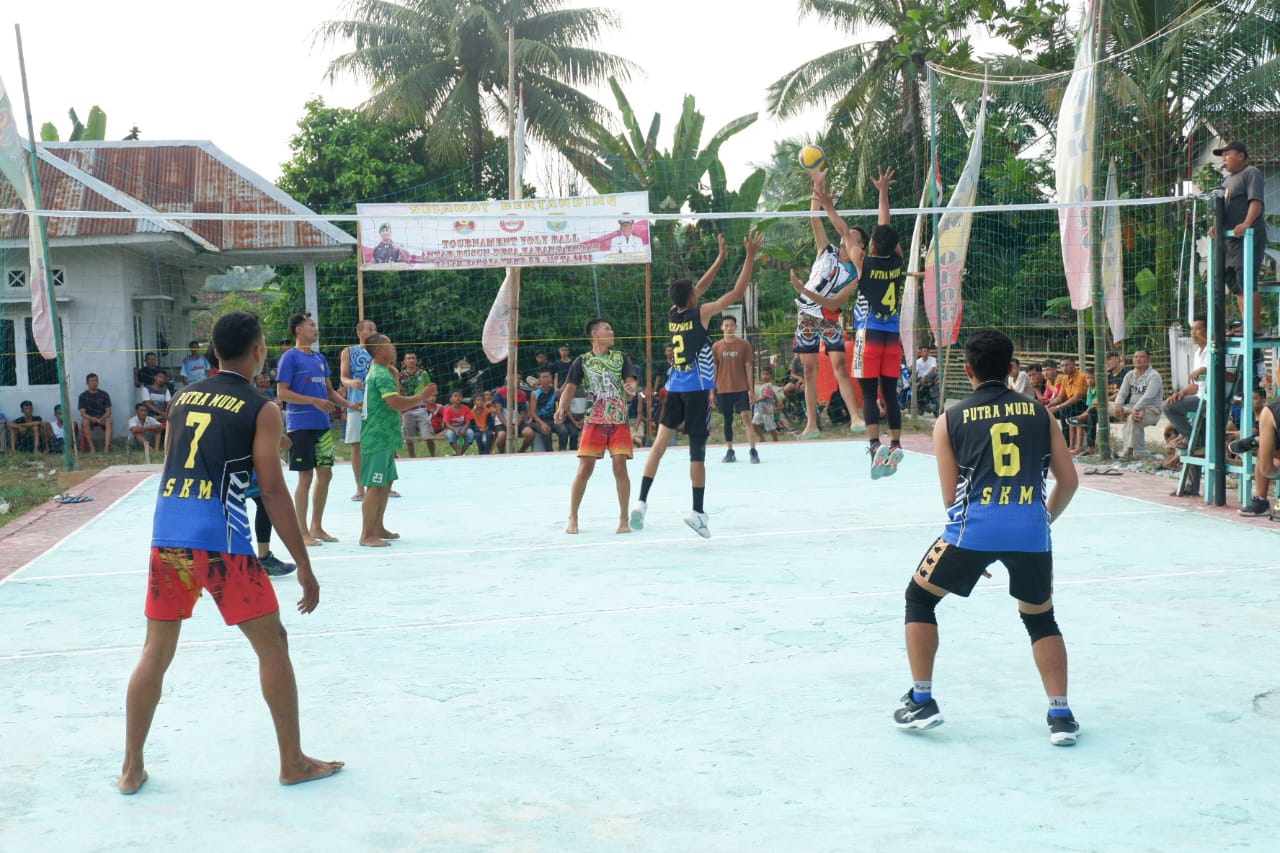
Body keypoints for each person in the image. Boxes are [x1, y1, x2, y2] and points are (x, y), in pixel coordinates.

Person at [118, 310, 342, 795]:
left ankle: (131, 769)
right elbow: (273, 492)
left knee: (155, 652)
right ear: (259, 352)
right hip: (220, 540)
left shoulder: (182, 397)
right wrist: (305, 565)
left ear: (214, 352)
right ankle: (292, 762)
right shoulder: (261, 408)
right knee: (272, 644)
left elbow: (185, 457)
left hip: (168, 533)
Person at [892, 328, 1081, 746]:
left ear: (968, 370)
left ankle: (922, 700)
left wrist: (974, 554)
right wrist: (1042, 521)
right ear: (1012, 368)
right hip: (1031, 532)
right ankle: (1060, 716)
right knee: (1040, 618)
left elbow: (951, 498)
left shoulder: (950, 419)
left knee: (919, 599)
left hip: (973, 530)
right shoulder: (1041, 414)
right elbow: (1068, 481)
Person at [631, 231, 763, 538]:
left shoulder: (674, 313)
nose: (698, 292)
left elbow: (698, 287)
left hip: (674, 390)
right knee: (696, 453)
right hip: (696, 392)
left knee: (659, 447)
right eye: (695, 292)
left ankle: (641, 502)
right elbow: (737, 291)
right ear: (692, 299)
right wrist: (749, 256)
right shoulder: (702, 313)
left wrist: (720, 257)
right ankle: (697, 513)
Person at [843, 166, 915, 477]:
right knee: (890, 393)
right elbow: (885, 226)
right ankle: (896, 443)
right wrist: (883, 191)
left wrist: (828, 205)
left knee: (869, 395)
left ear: (871, 245)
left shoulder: (864, 263)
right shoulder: (898, 261)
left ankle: (875, 445)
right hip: (891, 338)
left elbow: (845, 232)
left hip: (868, 336)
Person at [789, 169, 868, 440]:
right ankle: (812, 424)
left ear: (860, 246)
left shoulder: (856, 273)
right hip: (807, 315)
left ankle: (855, 417)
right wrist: (816, 184)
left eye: (854, 237)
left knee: (840, 367)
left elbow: (836, 301)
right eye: (848, 235)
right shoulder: (826, 250)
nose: (848, 238)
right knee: (809, 370)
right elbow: (815, 218)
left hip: (829, 316)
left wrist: (804, 291)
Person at [276, 312, 358, 546]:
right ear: (299, 330)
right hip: (301, 426)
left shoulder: (319, 358)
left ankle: (317, 526)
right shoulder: (290, 357)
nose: (315, 328)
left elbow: (329, 392)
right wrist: (313, 401)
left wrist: (350, 405)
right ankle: (301, 532)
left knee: (326, 473)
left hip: (322, 426)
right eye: (311, 325)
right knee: (306, 477)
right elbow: (282, 393)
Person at [555, 319, 640, 534]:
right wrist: (561, 407)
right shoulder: (582, 361)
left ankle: (623, 518)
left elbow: (631, 381)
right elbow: (570, 388)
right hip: (594, 419)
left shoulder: (620, 358)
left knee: (620, 465)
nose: (612, 331)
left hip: (618, 419)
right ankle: (573, 517)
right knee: (585, 468)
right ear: (595, 333)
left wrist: (631, 387)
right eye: (607, 329)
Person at [358, 334, 434, 547]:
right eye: (389, 344)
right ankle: (366, 535)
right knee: (375, 485)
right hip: (377, 436)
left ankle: (377, 527)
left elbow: (396, 396)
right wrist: (421, 397)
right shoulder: (380, 373)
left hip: (387, 435)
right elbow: (394, 402)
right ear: (379, 350)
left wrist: (395, 374)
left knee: (386, 482)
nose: (393, 347)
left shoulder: (385, 371)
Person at [1214, 141, 1268, 329]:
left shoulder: (1251, 173)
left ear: (1240, 155)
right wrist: (1216, 226)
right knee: (1236, 284)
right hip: (1230, 242)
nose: (1224, 158)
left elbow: (1256, 201)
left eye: (1227, 154)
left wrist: (1247, 223)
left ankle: (1255, 327)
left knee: (1247, 280)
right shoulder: (1225, 182)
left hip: (1248, 238)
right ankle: (1247, 324)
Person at [712, 315, 758, 463]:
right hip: (723, 388)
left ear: (736, 327)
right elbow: (714, 369)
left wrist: (751, 390)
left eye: (731, 325)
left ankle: (753, 450)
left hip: (741, 388)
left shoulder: (744, 345)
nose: (728, 328)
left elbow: (748, 367)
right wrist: (711, 391)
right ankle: (730, 451)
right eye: (726, 325)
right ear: (721, 327)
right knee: (727, 419)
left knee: (746, 416)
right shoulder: (717, 346)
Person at [340, 319, 377, 501]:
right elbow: (343, 377)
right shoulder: (348, 351)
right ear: (359, 332)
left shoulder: (380, 350)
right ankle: (360, 487)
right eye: (370, 329)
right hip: (357, 403)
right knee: (357, 444)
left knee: (381, 445)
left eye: (375, 329)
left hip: (377, 403)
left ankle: (382, 484)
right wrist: (351, 383)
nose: (374, 332)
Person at [1163, 316, 1208, 450]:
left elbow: (1228, 375)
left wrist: (1205, 369)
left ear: (1208, 330)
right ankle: (1193, 438)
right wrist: (1181, 393)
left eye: (1197, 329)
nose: (1193, 333)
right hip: (1200, 397)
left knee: (1168, 407)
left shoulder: (1214, 351)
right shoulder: (1198, 353)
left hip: (1210, 399)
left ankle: (1192, 438)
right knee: (1171, 402)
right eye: (1192, 329)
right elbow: (1196, 385)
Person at [1109, 349, 1163, 459]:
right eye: (1135, 357)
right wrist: (1118, 404)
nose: (1138, 359)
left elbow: (1148, 396)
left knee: (1133, 418)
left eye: (1141, 357)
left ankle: (1129, 451)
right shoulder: (1130, 375)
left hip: (1150, 410)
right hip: (1130, 409)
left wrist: (1136, 409)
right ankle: (1138, 452)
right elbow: (1122, 392)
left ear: (1148, 359)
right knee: (1103, 406)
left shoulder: (1154, 375)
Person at [1233, 394, 1280, 516]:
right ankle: (1261, 501)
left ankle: (1258, 441)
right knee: (1265, 451)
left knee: (1266, 452)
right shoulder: (1270, 411)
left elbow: (1267, 469)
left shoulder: (1269, 411)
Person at [398, 352, 437, 458]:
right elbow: (398, 391)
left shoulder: (423, 374)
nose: (411, 360)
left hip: (421, 409)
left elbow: (429, 388)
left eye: (413, 358)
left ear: (416, 360)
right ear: (405, 361)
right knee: (409, 438)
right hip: (406, 410)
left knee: (428, 435)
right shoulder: (400, 375)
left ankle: (433, 456)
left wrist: (430, 397)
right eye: (409, 358)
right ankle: (412, 458)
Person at [1047, 355, 1089, 442]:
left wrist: (1058, 407)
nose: (1064, 368)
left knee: (1064, 410)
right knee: (1049, 411)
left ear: (1074, 365)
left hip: (1083, 404)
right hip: (1072, 404)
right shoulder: (1065, 378)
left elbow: (1077, 397)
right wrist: (1050, 405)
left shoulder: (1081, 377)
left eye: (1066, 365)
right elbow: (1060, 397)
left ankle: (1066, 441)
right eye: (1062, 366)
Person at [78, 372, 113, 453]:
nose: (94, 383)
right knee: (85, 421)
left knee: (109, 421)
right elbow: (83, 413)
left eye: (96, 380)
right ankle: (92, 447)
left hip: (102, 418)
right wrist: (91, 418)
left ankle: (106, 447)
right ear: (87, 383)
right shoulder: (83, 396)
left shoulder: (104, 394)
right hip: (90, 419)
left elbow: (108, 411)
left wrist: (102, 418)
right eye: (91, 381)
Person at [441, 390, 476, 455]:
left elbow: (468, 421)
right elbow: (447, 424)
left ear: (462, 398)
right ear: (450, 399)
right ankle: (457, 450)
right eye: (455, 396)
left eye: (459, 396)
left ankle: (461, 452)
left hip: (464, 426)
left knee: (470, 433)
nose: (458, 398)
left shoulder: (466, 408)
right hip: (452, 427)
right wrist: (454, 430)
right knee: (450, 434)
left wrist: (464, 429)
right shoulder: (448, 410)